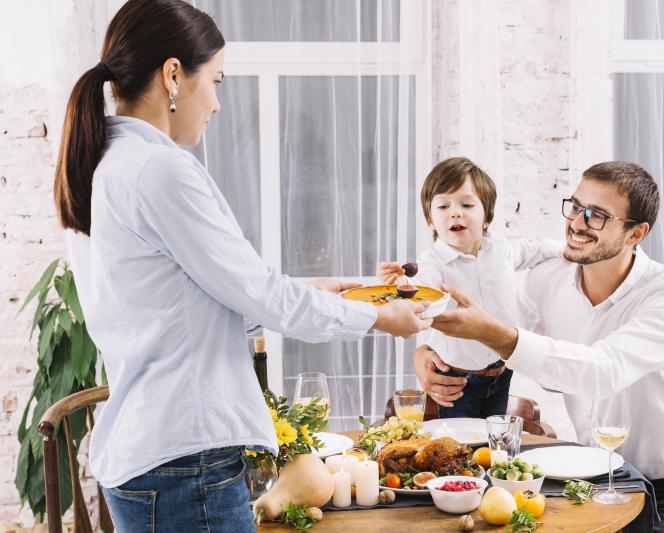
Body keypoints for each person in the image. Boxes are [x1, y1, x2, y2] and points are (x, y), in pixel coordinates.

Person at [53, 1, 430, 531]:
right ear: (173, 75)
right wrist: (377, 317)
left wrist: (322, 292)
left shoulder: (106, 164)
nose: (216, 104)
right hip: (186, 461)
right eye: (216, 81)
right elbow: (258, 293)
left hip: (156, 456)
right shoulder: (160, 170)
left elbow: (191, 303)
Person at [415, 161, 664, 532]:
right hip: (592, 477)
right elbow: (496, 334)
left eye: (597, 215)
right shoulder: (547, 279)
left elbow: (602, 371)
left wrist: (495, 335)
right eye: (576, 206)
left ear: (635, 233)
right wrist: (426, 353)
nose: (578, 222)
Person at [379, 157, 560, 418]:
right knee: (462, 440)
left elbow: (535, 249)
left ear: (486, 217)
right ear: (430, 220)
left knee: (494, 439)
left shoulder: (500, 249)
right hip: (457, 380)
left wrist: (566, 251)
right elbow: (420, 296)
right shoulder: (432, 263)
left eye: (467, 204)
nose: (455, 212)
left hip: (502, 371)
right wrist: (401, 286)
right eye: (443, 206)